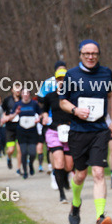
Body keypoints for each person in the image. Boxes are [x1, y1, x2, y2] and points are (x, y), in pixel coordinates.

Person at [60, 40, 112, 224]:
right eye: (87, 54)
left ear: (98, 55)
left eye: (94, 53)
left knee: (98, 172)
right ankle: (76, 203)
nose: (91, 57)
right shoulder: (71, 75)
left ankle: (100, 217)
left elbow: (110, 97)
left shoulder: (106, 73)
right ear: (80, 55)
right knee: (81, 174)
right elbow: (62, 102)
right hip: (78, 131)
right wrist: (75, 110)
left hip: (99, 130)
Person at [42, 67, 75, 202]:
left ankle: (65, 177)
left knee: (69, 166)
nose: (61, 82)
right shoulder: (50, 96)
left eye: (64, 79)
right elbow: (44, 110)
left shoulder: (73, 96)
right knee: (59, 162)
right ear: (56, 81)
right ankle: (62, 194)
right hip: (54, 132)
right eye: (59, 79)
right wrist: (45, 116)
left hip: (69, 132)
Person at [13, 89, 43, 178]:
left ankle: (31, 164)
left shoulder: (34, 104)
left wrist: (39, 118)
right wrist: (15, 113)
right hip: (21, 131)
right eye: (24, 93)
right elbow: (12, 116)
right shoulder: (17, 104)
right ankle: (25, 171)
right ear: (21, 95)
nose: (25, 95)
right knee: (23, 152)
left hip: (32, 132)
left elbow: (40, 114)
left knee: (33, 153)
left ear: (29, 94)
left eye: (27, 93)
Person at [3, 86, 22, 173]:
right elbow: (2, 111)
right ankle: (9, 156)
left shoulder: (23, 99)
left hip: (21, 128)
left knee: (20, 150)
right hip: (10, 128)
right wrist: (5, 117)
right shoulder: (7, 100)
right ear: (12, 90)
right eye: (16, 89)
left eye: (19, 89)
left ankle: (18, 168)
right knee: (11, 150)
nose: (18, 90)